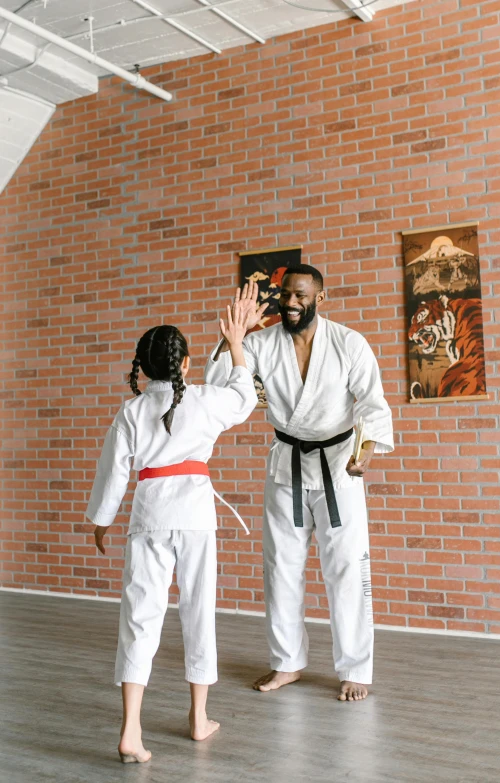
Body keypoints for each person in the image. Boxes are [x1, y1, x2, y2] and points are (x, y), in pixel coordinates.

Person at [205, 265, 394, 702]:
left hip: (338, 466)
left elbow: (372, 401)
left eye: (301, 296)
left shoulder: (349, 343)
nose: (290, 302)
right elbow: (218, 387)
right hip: (286, 466)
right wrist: (232, 338)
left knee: (346, 569)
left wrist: (366, 451)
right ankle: (286, 663)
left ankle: (355, 669)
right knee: (280, 569)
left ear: (320, 298)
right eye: (286, 294)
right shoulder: (261, 343)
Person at [86, 305, 257, 763]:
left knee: (140, 616)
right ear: (185, 364)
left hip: (150, 514)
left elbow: (113, 473)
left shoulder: (132, 411)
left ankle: (131, 731)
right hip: (196, 516)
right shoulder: (203, 398)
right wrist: (237, 342)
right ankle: (199, 718)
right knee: (198, 611)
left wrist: (102, 520)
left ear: (141, 368)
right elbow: (245, 397)